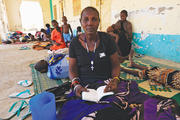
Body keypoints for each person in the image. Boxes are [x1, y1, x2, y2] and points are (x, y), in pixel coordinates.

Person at [57, 7, 150, 120]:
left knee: (120, 109)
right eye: (86, 19)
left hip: (107, 84)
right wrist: (76, 84)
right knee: (74, 112)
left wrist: (115, 80)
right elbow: (72, 68)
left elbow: (115, 64)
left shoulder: (107, 40)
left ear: (98, 22)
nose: (90, 23)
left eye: (94, 19)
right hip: (84, 85)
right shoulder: (74, 43)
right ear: (81, 22)